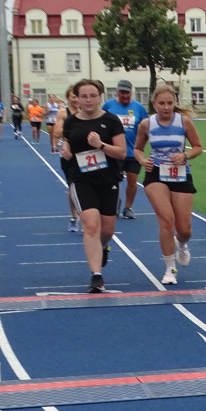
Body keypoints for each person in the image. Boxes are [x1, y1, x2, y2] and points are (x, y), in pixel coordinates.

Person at [59, 79, 126, 293]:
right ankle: (96, 276)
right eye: (84, 96)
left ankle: (103, 246)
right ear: (76, 98)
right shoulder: (71, 122)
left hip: (108, 180)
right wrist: (66, 149)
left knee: (107, 229)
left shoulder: (111, 120)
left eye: (93, 95)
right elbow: (68, 140)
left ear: (100, 97)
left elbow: (122, 152)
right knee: (90, 225)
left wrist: (101, 145)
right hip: (81, 179)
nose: (88, 100)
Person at [134, 83, 202, 285]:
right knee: (166, 220)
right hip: (156, 174)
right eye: (162, 103)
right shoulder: (147, 124)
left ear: (175, 103)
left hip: (180, 173)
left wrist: (185, 155)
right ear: (154, 104)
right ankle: (169, 269)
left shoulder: (185, 122)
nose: (166, 107)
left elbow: (198, 147)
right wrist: (141, 160)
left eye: (170, 103)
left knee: (184, 229)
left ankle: (181, 244)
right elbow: (137, 149)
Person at [102, 79, 149, 220]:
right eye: (122, 92)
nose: (125, 95)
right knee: (113, 180)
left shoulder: (138, 107)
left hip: (132, 151)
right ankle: (114, 202)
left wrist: (143, 144)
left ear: (131, 92)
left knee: (132, 180)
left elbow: (146, 126)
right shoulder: (109, 105)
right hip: (114, 151)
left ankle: (128, 207)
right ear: (117, 92)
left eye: (127, 92)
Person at [53, 84, 84, 232]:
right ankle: (74, 217)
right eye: (73, 97)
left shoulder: (87, 112)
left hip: (85, 155)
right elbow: (57, 132)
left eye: (78, 96)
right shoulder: (62, 113)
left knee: (86, 187)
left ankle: (85, 216)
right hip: (68, 155)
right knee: (72, 187)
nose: (76, 99)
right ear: (68, 98)